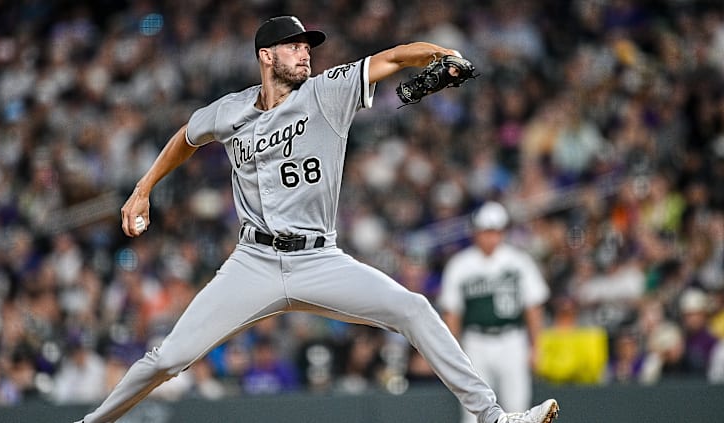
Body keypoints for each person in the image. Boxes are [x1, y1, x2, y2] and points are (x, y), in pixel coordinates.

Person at [74, 16, 558, 423]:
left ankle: (493, 418)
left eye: (308, 46)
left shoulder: (328, 91)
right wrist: (143, 189)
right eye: (294, 46)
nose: (305, 53)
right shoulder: (231, 110)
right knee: (170, 359)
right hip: (253, 260)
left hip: (319, 259)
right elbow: (187, 135)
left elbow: (394, 57)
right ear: (267, 56)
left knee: (413, 308)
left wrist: (442, 53)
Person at [439, 201, 551, 422]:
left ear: (503, 232)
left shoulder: (519, 261)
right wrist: (455, 352)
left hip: (512, 338)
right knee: (473, 411)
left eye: (495, 231)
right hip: (475, 340)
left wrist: (536, 346)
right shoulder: (460, 264)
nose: (490, 237)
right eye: (485, 231)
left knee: (517, 407)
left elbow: (533, 306)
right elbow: (452, 313)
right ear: (476, 232)